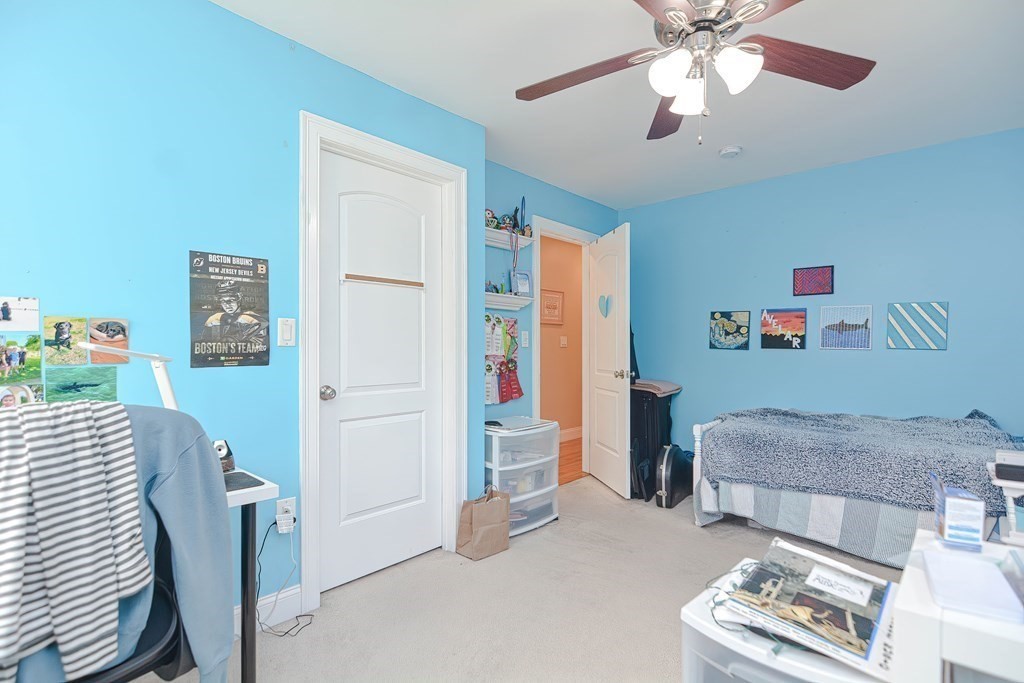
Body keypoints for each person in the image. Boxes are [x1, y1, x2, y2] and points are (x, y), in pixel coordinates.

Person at [203, 280, 269, 345]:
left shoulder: (255, 320)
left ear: (239, 298)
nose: (227, 305)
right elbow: (205, 342)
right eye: (222, 301)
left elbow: (259, 346)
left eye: (231, 300)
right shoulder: (213, 320)